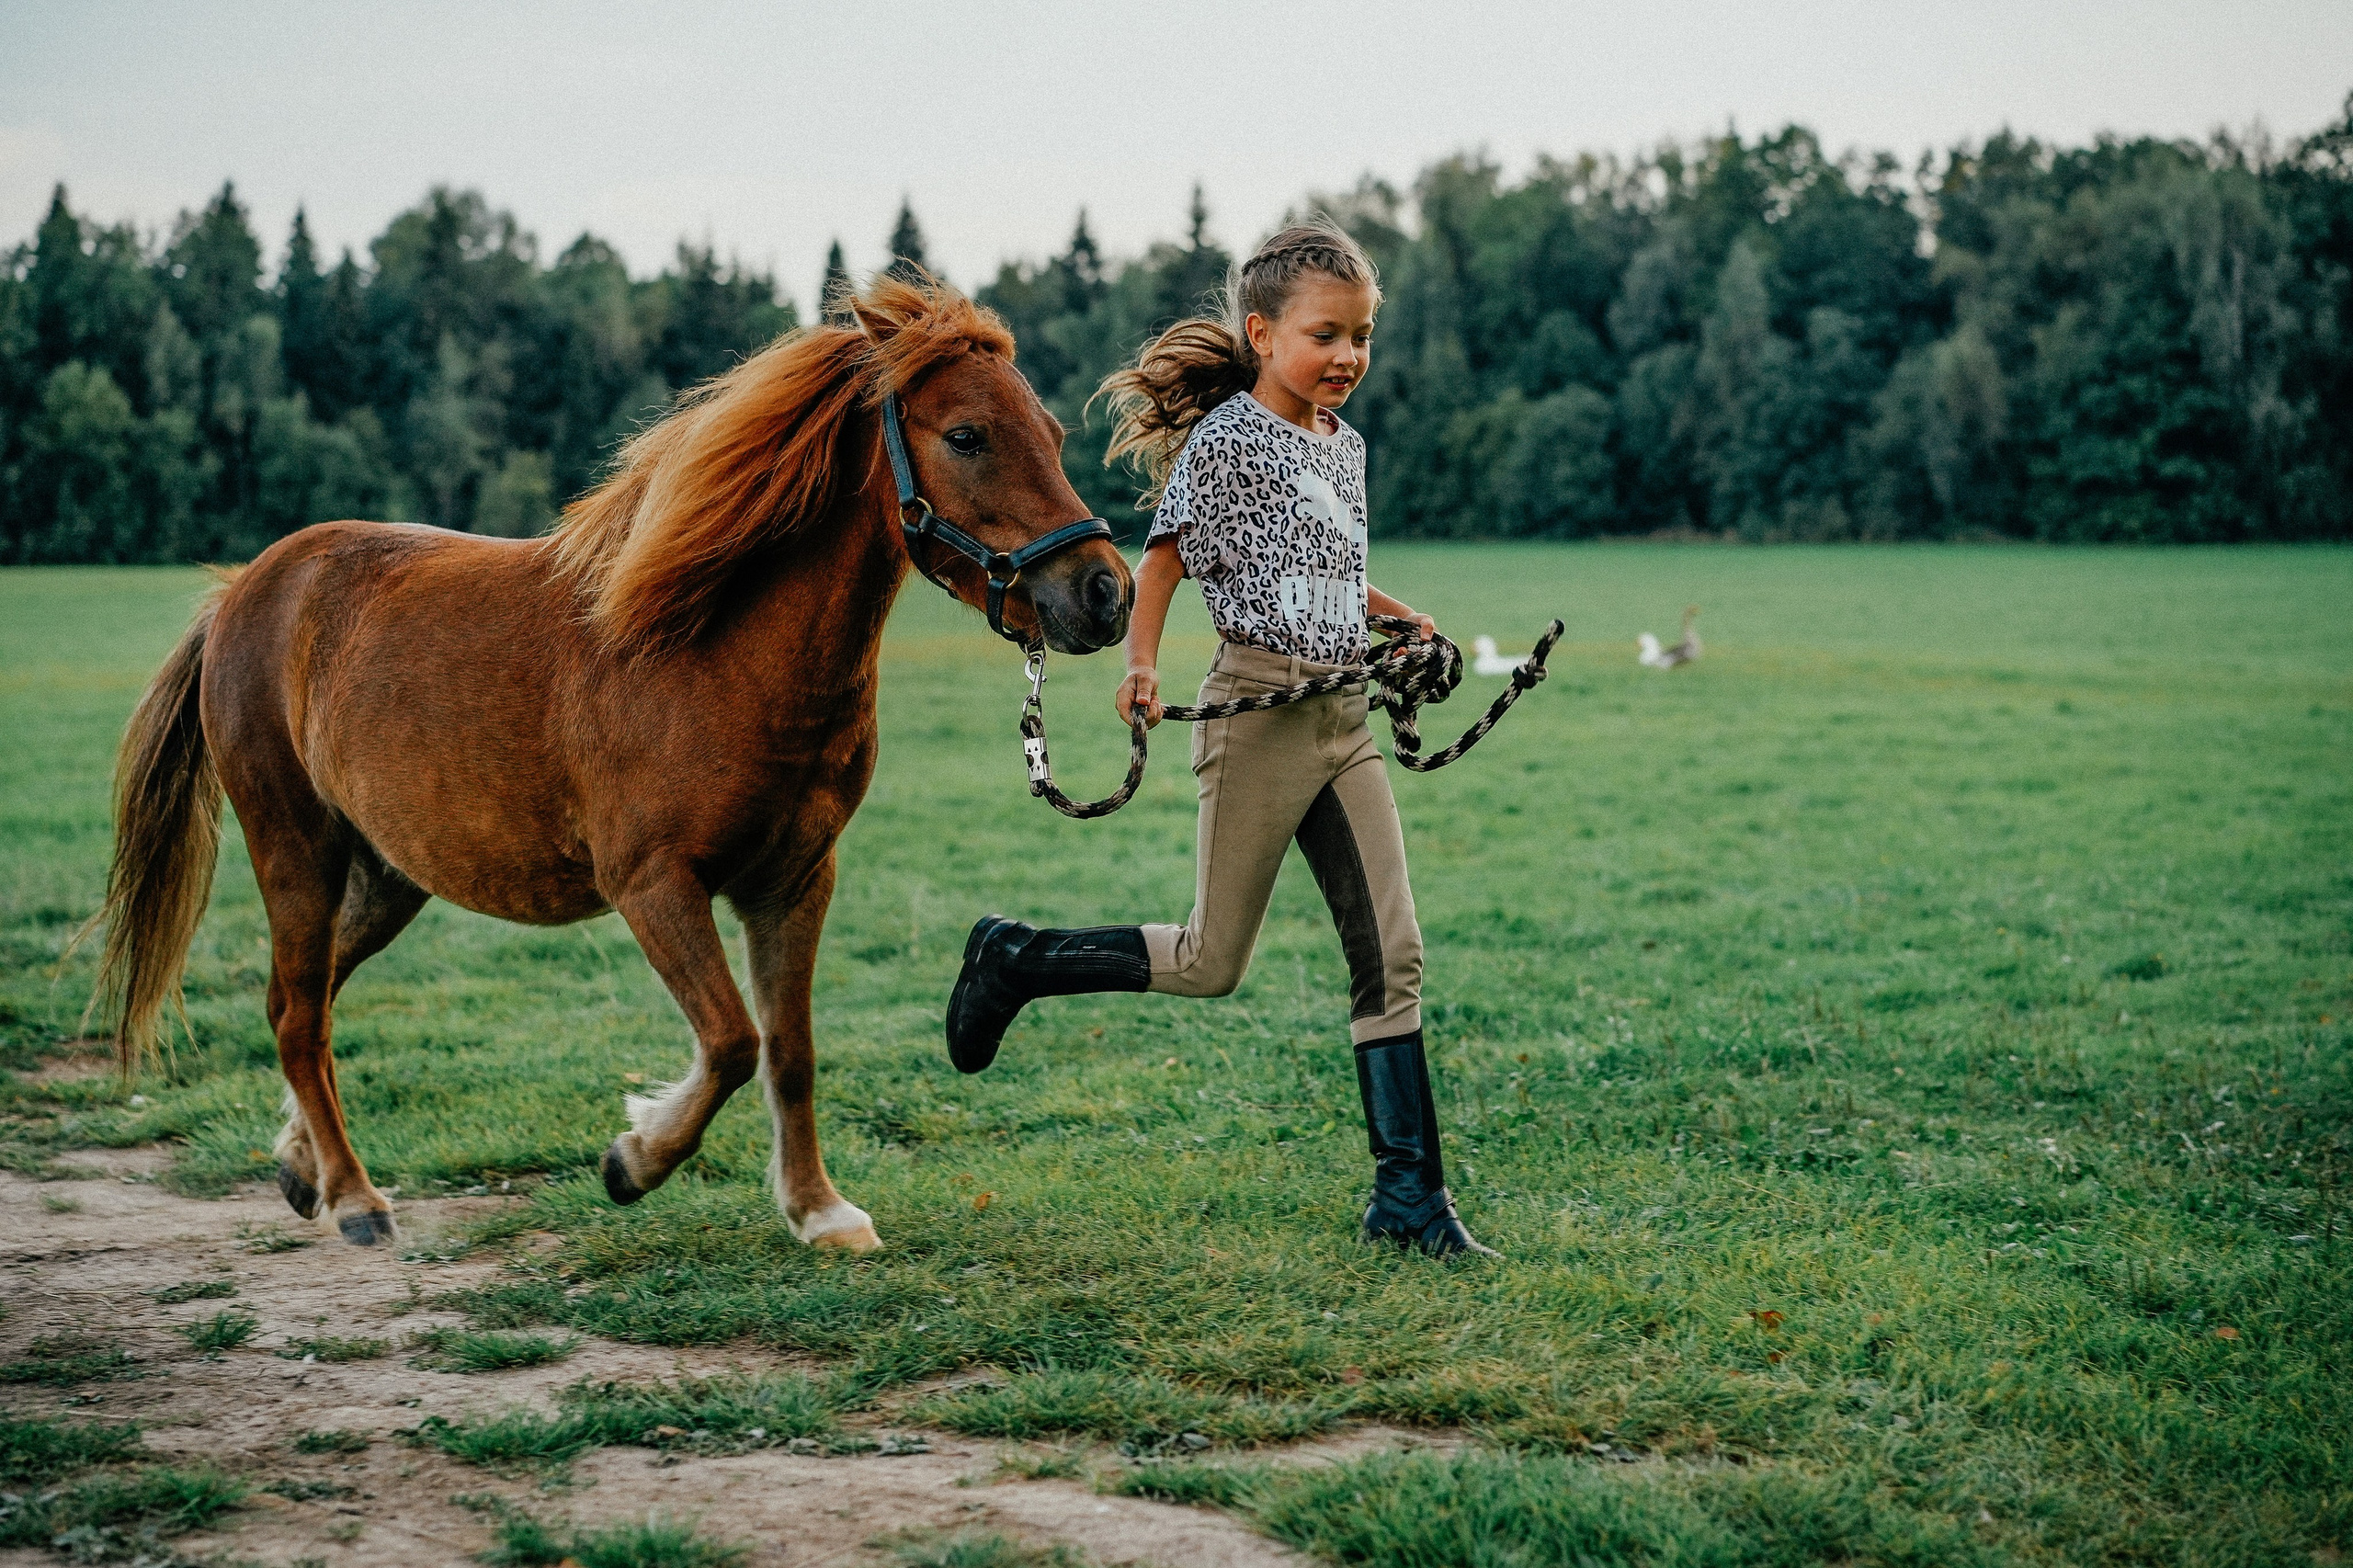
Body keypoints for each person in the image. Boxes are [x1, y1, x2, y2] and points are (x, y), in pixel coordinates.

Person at [943, 220, 1495, 1258]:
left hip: (1343, 718)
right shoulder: (1229, 440)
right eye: (1325, 333)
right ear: (1261, 332)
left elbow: (1326, 563)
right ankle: (1016, 958)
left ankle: (1410, 1202)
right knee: (1208, 961)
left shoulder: (1349, 447)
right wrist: (1140, 664)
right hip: (1259, 717)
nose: (1347, 356)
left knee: (1393, 952)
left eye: (1362, 336)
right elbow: (1165, 557)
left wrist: (1399, 616)